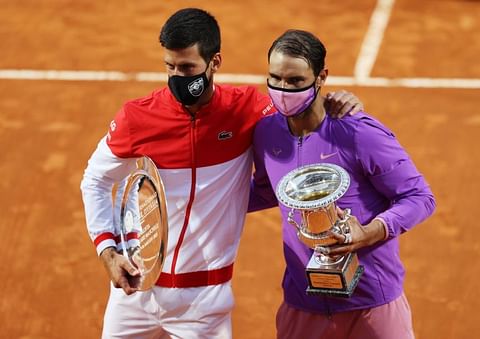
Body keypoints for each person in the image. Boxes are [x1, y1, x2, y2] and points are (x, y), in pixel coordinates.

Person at [80, 8, 364, 339]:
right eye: (169, 67)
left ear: (214, 63)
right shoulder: (137, 117)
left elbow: (301, 120)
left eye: (187, 68)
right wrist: (107, 250)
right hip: (134, 293)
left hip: (203, 304)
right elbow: (96, 180)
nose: (177, 78)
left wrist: (336, 103)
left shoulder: (246, 109)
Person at [249, 29, 436, 339]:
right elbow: (269, 190)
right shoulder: (266, 134)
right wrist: (201, 200)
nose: (282, 90)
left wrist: (369, 233)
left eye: (295, 81)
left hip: (371, 304)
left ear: (321, 77)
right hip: (303, 303)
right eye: (275, 78)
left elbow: (419, 197)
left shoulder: (359, 132)